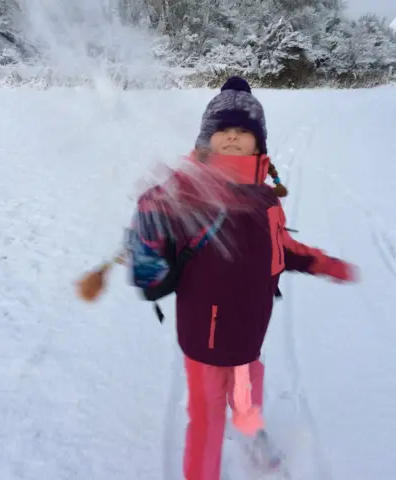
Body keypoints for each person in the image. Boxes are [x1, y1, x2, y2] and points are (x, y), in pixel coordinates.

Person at [126, 76, 358, 480]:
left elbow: (280, 248)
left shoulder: (267, 199)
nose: (232, 139)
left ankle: (251, 437)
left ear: (259, 144)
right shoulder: (189, 190)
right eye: (223, 131)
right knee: (206, 420)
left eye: (243, 132)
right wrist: (154, 200)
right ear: (206, 140)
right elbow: (156, 210)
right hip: (204, 340)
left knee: (247, 394)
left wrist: (323, 263)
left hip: (249, 332)